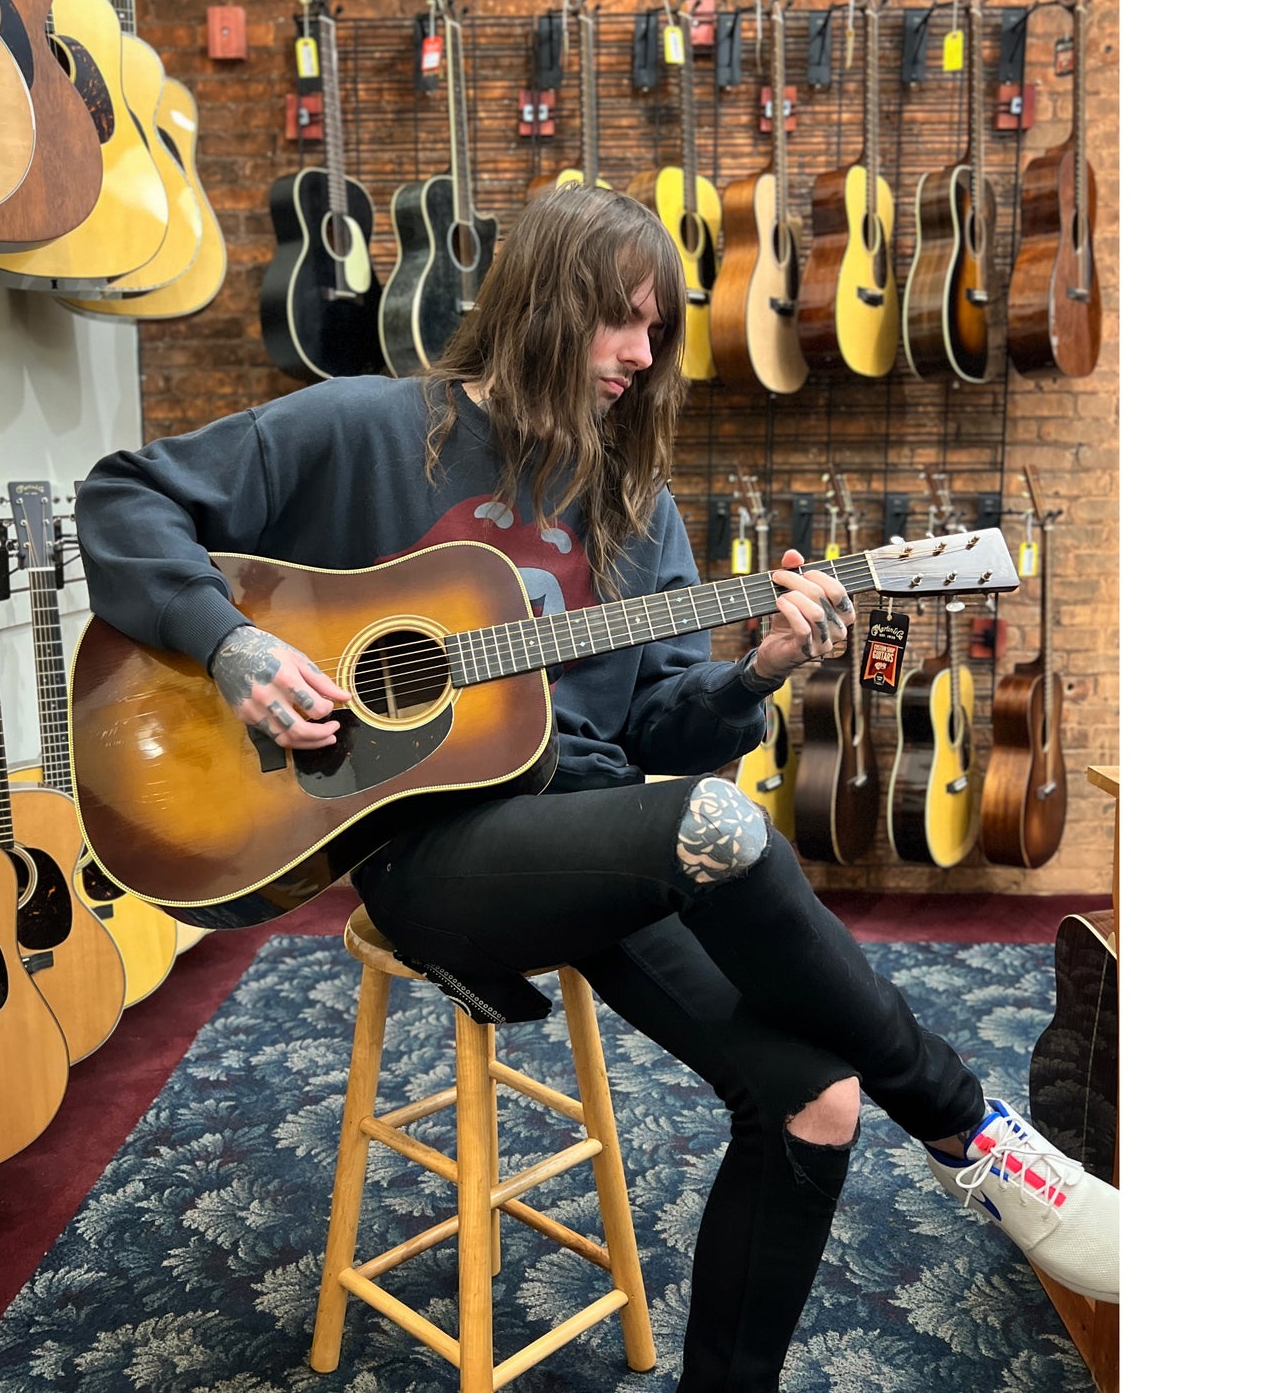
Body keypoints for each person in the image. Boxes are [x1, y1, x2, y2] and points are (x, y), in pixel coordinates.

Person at [74, 184, 1118, 1391]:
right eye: (618, 319)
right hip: (428, 851)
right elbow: (124, 493)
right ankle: (972, 1132)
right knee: (717, 826)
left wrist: (758, 670)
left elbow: (663, 727)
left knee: (818, 1099)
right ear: (540, 300)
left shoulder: (631, 505)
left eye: (656, 330)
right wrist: (232, 644)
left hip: (599, 834)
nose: (639, 353)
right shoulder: (362, 426)